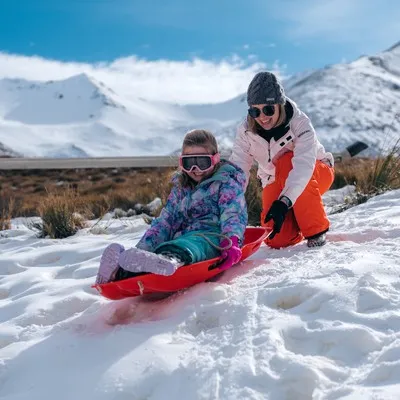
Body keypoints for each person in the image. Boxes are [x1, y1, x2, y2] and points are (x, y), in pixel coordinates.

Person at [95, 129, 248, 284]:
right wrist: (141, 249)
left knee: (191, 245)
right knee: (164, 242)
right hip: (181, 237)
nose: (195, 170)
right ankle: (121, 271)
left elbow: (233, 214)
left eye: (202, 163)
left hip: (213, 237)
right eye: (189, 163)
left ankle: (169, 259)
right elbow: (166, 221)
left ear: (215, 159)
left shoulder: (226, 182)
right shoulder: (181, 187)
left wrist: (232, 241)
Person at [230, 71, 334, 249]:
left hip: (316, 171)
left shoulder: (300, 124)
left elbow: (302, 167)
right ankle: (296, 221)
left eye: (268, 109)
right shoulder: (245, 131)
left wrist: (284, 201)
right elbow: (239, 167)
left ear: (280, 104)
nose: (262, 117)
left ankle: (316, 230)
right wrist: (229, 203)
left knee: (286, 161)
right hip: (273, 179)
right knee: (276, 238)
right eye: (255, 110)